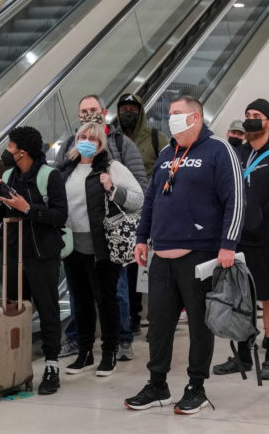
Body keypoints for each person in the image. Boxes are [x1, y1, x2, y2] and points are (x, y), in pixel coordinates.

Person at [124, 95, 244, 414]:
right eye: (169, 113)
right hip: (161, 253)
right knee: (159, 323)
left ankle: (196, 386)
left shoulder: (219, 150)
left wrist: (228, 244)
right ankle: (157, 384)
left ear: (195, 117)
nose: (170, 118)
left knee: (198, 326)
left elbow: (236, 199)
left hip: (200, 253)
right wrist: (141, 238)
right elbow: (151, 200)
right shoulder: (166, 153)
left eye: (176, 113)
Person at [213, 99, 269, 381]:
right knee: (241, 298)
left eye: (257, 116)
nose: (251, 120)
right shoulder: (236, 154)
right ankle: (242, 355)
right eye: (248, 115)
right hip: (239, 241)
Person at [57, 95, 147, 360]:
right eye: (84, 111)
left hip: (108, 237)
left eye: (94, 110)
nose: (89, 116)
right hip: (75, 241)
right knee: (79, 296)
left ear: (104, 112)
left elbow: (139, 187)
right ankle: (79, 343)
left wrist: (112, 189)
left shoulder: (120, 145)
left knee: (114, 292)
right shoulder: (68, 151)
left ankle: (120, 340)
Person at [0, 126, 68, 395]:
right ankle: (13, 366)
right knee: (13, 310)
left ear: (22, 152)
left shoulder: (49, 176)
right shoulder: (8, 175)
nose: (6, 151)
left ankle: (51, 366)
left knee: (48, 309)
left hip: (42, 255)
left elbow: (60, 216)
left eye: (9, 147)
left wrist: (28, 209)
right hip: (12, 254)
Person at [116, 93, 170, 356]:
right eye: (123, 108)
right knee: (129, 268)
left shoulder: (156, 138)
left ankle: (157, 322)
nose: (128, 112)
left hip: (154, 211)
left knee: (152, 271)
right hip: (123, 213)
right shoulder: (113, 138)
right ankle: (133, 319)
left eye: (132, 108)